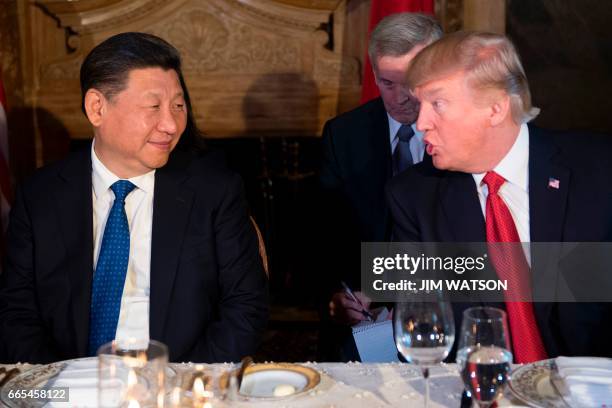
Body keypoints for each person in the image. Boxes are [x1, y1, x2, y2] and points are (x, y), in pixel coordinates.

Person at [0, 32, 268, 364]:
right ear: (97, 108)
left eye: (178, 106)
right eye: (153, 107)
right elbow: (16, 312)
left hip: (179, 383)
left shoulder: (214, 191)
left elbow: (245, 306)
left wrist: (179, 385)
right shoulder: (40, 195)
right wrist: (62, 387)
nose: (171, 124)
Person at [387, 30, 612, 361]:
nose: (421, 123)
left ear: (495, 109)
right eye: (420, 105)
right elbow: (424, 326)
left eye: (437, 104)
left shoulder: (598, 173)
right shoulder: (413, 196)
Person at [318, 13, 442, 361]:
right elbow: (325, 237)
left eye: (412, 82)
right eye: (388, 83)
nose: (401, 97)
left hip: (447, 310)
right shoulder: (344, 135)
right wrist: (335, 297)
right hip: (365, 323)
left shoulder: (461, 134)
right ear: (373, 75)